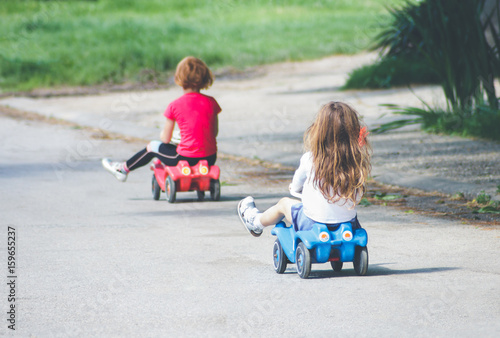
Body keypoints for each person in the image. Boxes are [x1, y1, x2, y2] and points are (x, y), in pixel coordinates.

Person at [237, 101, 371, 237]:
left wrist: (294, 189)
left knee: (284, 204)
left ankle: (255, 222)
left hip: (310, 223)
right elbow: (358, 193)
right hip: (349, 223)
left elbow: (297, 184)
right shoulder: (355, 162)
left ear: (320, 131)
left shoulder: (311, 159)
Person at [102, 56, 221, 182]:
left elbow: (165, 139)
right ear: (205, 77)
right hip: (210, 158)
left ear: (178, 78)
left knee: (153, 146)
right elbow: (214, 133)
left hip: (184, 158)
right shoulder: (211, 102)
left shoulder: (175, 105)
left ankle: (123, 169)